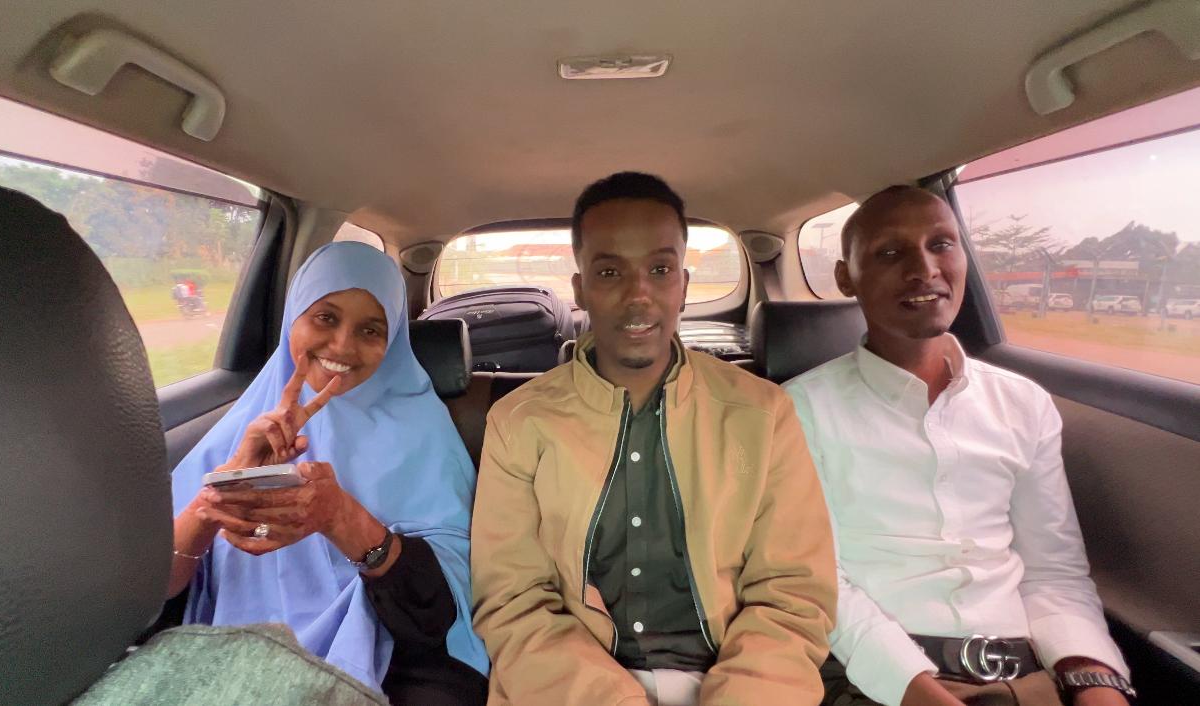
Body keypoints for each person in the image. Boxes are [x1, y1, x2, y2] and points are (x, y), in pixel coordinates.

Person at [471, 172, 836, 705]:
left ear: (684, 286)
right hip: (569, 689)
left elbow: (793, 596)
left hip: (734, 684)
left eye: (660, 269)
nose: (638, 294)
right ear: (581, 290)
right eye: (610, 271)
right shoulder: (518, 422)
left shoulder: (762, 413)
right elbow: (513, 601)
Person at [783, 186, 1134, 706]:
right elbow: (816, 581)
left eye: (941, 244)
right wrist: (915, 689)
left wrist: (1094, 678)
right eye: (890, 252)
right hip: (874, 676)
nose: (924, 268)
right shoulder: (797, 410)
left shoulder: (1025, 404)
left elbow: (1053, 571)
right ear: (844, 277)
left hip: (1024, 674)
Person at [166, 241, 489, 705]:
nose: (342, 346)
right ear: (292, 317)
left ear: (392, 340)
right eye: (326, 317)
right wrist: (215, 501)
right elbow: (152, 592)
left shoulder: (425, 433)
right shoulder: (241, 429)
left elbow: (444, 609)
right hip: (234, 655)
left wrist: (341, 518)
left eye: (370, 330)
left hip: (389, 660)